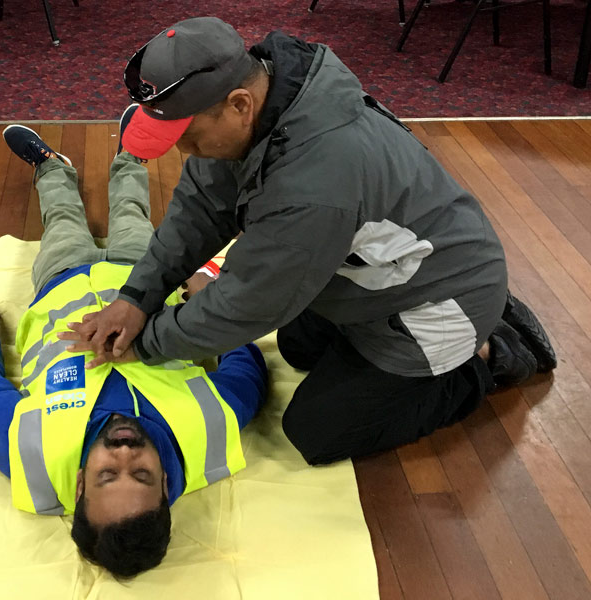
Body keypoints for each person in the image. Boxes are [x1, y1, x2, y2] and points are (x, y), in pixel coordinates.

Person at [64, 17, 556, 466]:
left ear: (239, 105)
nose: (184, 152)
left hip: (439, 302)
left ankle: (493, 352)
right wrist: (136, 297)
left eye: (188, 138)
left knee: (315, 433)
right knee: (298, 347)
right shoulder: (270, 99)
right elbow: (201, 209)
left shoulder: (313, 184)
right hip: (390, 274)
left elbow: (250, 301)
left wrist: (146, 344)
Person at [0, 120, 268, 577]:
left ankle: (51, 168)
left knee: (62, 220)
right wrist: (204, 296)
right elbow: (245, 365)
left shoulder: (31, 456)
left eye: (107, 474)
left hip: (61, 284)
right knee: (132, 215)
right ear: (165, 484)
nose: (123, 452)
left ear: (80, 485)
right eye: (140, 473)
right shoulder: (209, 432)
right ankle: (130, 157)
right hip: (142, 279)